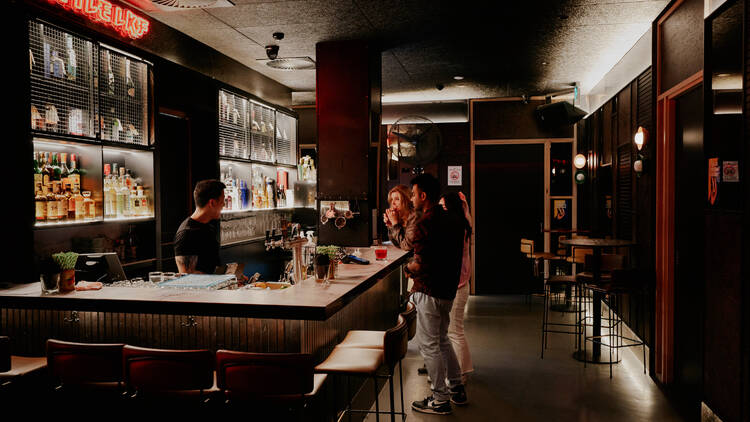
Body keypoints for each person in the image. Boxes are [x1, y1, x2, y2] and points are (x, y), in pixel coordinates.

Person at [406, 173, 467, 415]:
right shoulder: (453, 219)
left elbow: (419, 264)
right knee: (442, 340)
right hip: (448, 290)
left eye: (412, 194)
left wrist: (408, 268)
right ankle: (457, 387)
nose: (411, 199)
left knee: (429, 345)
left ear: (423, 196)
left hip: (429, 290)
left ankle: (440, 399)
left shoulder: (425, 222)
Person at [440, 191, 474, 384]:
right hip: (458, 283)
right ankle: (457, 370)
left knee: (454, 331)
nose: (441, 211)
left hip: (458, 284)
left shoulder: (457, 228)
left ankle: (459, 375)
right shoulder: (463, 225)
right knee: (453, 332)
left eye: (443, 207)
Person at [174, 179, 225, 274]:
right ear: (212, 203)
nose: (224, 204)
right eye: (222, 201)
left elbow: (212, 268)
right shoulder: (186, 233)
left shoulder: (208, 227)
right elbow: (187, 276)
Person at [383, 184, 416, 250]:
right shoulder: (399, 218)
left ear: (406, 200)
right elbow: (398, 244)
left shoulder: (414, 217)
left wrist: (395, 224)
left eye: (397, 199)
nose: (393, 203)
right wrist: (390, 225)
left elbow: (407, 246)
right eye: (392, 199)